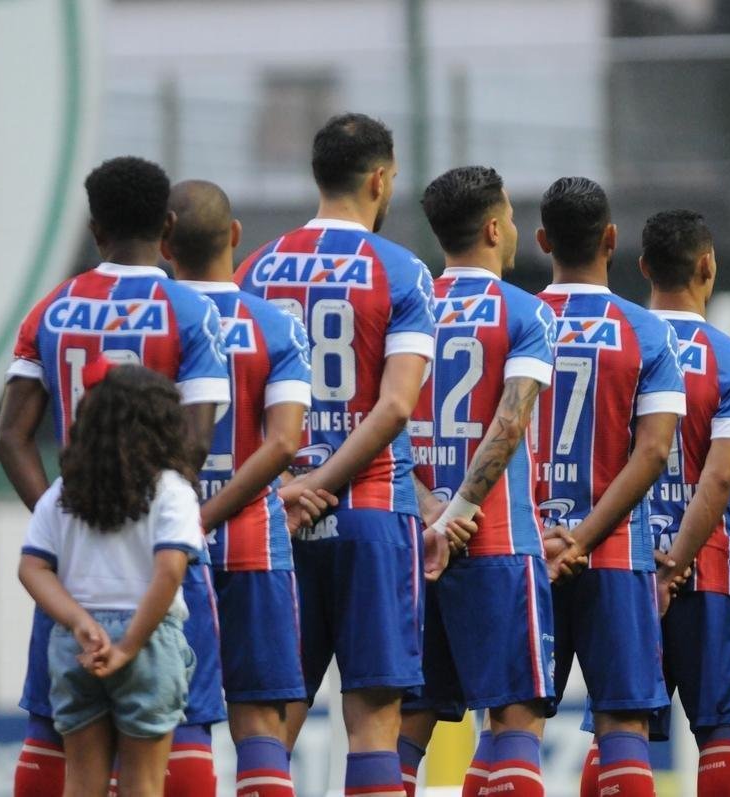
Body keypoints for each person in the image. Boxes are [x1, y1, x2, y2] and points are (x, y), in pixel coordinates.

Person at [0, 156, 230, 797]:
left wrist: (70, 516)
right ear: (169, 225)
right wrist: (147, 510)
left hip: (73, 576)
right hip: (154, 566)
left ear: (94, 229)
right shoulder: (188, 309)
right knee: (175, 738)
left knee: (59, 743)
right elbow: (198, 439)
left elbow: (10, 436)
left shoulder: (51, 308)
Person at [235, 113, 435, 797]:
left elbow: (240, 405)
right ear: (379, 178)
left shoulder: (254, 269)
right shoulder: (402, 271)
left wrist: (292, 485)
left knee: (269, 720)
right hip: (373, 515)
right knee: (375, 721)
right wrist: (326, 479)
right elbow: (396, 406)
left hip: (276, 522)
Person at [397, 166, 557, 797]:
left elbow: (384, 416)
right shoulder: (525, 312)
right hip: (494, 543)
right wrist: (460, 511)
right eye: (512, 218)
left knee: (407, 723)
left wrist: (428, 509)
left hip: (411, 540)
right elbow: (509, 421)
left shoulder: (410, 307)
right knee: (514, 717)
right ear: (494, 227)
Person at [531, 181, 685, 797]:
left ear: (542, 241)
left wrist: (553, 543)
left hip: (526, 549)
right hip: (616, 552)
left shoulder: (522, 319)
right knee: (623, 724)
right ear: (612, 240)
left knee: (510, 724)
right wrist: (585, 539)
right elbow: (653, 453)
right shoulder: (646, 331)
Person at [163, 180, 315, 797]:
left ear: (166, 241)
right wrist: (220, 513)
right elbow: (283, 444)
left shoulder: (155, 315)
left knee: (181, 716)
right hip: (253, 537)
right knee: (260, 720)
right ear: (233, 237)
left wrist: (188, 519)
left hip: (166, 544)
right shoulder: (276, 325)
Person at [19, 364, 203, 797]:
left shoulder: (63, 493)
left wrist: (79, 622)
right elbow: (170, 570)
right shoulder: (172, 490)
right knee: (143, 783)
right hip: (150, 640)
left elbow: (32, 567)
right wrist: (128, 646)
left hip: (78, 643)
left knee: (81, 783)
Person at [639, 209, 730, 796]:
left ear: (642, 268)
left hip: (626, 564)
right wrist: (681, 561)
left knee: (621, 726)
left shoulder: (624, 343)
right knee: (719, 732)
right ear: (709, 266)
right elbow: (719, 480)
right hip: (706, 566)